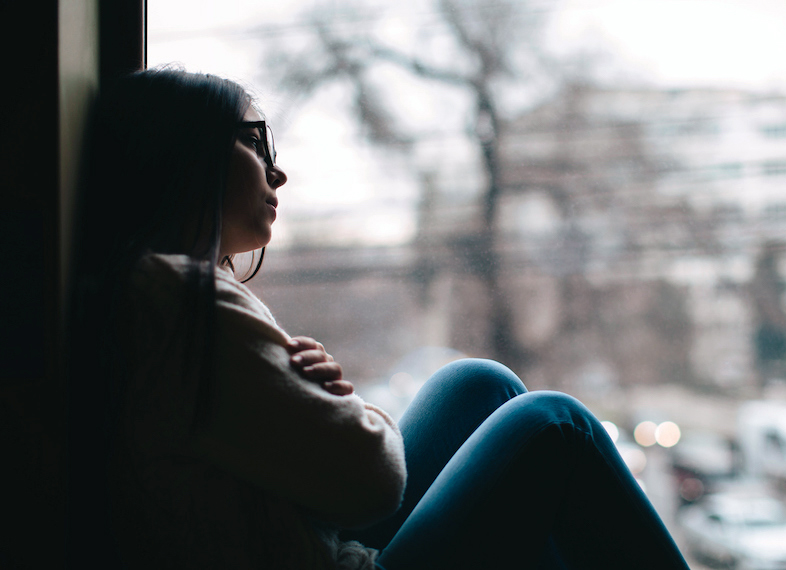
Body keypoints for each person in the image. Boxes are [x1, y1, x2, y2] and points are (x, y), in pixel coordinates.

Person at [68, 67, 689, 570]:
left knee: (477, 385)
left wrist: (315, 409)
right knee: (556, 425)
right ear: (188, 154)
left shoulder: (153, 293)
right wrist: (344, 411)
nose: (277, 171)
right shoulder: (189, 304)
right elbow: (370, 484)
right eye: (255, 142)